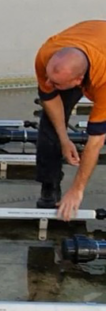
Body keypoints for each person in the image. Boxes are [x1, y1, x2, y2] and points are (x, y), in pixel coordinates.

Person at [35, 20, 106, 221]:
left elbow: (96, 140)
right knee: (49, 124)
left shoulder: (103, 80)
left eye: (55, 82)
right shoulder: (47, 55)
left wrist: (77, 189)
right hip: (89, 47)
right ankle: (49, 186)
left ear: (78, 81)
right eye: (49, 77)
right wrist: (64, 139)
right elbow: (49, 97)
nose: (48, 83)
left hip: (100, 62)